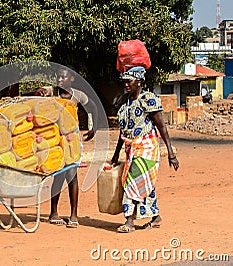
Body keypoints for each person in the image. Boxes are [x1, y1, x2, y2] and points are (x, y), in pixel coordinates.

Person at [23, 66, 97, 228]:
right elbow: (28, 95)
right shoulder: (51, 92)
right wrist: (36, 93)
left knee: (72, 175)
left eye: (63, 77)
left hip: (72, 140)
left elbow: (93, 107)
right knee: (58, 174)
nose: (60, 80)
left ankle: (73, 215)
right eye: (58, 77)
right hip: (54, 140)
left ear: (71, 79)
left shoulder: (78, 95)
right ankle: (53, 213)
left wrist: (94, 128)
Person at [111, 66, 179, 233]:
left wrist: (171, 153)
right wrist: (115, 155)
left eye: (129, 81)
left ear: (139, 81)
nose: (126, 84)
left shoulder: (148, 99)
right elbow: (123, 131)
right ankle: (155, 217)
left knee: (131, 181)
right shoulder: (124, 101)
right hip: (130, 148)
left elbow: (161, 126)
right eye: (124, 81)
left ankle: (129, 221)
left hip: (147, 148)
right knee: (143, 183)